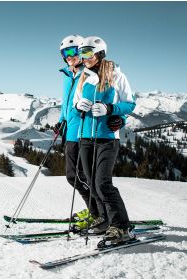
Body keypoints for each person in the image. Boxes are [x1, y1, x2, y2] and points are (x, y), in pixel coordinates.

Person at [73, 36, 136, 245]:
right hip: (85, 137)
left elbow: (130, 104)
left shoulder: (116, 75)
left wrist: (111, 109)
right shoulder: (83, 77)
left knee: (102, 183)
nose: (85, 57)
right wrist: (78, 106)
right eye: (82, 53)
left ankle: (121, 227)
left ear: (100, 53)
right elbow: (75, 102)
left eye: (88, 53)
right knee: (91, 182)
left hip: (107, 138)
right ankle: (104, 220)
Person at [53, 34, 100, 228]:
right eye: (65, 52)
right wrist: (60, 121)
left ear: (82, 52)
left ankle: (98, 213)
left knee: (82, 176)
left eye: (73, 51)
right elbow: (67, 104)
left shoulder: (88, 74)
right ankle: (95, 210)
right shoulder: (68, 75)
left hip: (84, 131)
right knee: (73, 176)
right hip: (70, 132)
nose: (69, 56)